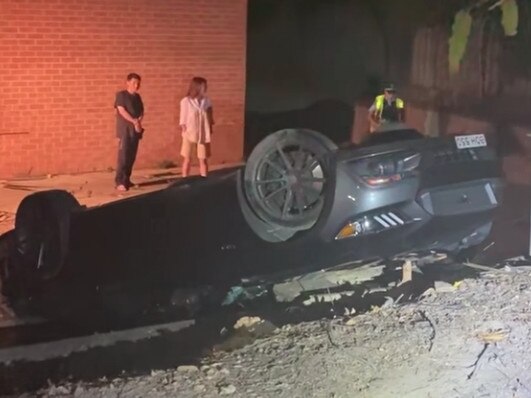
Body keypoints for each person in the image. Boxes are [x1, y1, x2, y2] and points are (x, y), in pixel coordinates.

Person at [114, 73, 144, 191]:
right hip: (124, 130)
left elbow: (141, 112)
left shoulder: (137, 97)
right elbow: (121, 110)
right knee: (123, 156)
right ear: (128, 82)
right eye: (134, 83)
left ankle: (127, 179)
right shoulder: (121, 95)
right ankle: (119, 181)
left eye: (138, 83)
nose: (136, 85)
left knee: (131, 156)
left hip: (135, 130)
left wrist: (138, 122)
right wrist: (133, 121)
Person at [179, 77, 214, 178]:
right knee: (187, 158)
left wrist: (210, 127)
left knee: (203, 158)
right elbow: (183, 119)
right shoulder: (186, 101)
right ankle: (184, 178)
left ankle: (204, 177)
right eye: (204, 86)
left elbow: (210, 114)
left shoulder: (206, 101)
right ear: (197, 87)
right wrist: (184, 130)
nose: (206, 88)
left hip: (202, 133)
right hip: (189, 133)